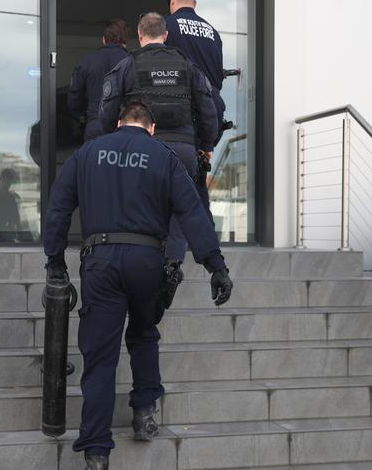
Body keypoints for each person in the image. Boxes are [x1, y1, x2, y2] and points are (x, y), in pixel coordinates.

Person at [44, 102, 233, 470]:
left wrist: (54, 261)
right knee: (144, 335)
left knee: (99, 357)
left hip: (100, 260)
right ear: (151, 128)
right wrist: (215, 266)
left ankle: (97, 452)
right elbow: (192, 213)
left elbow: (58, 209)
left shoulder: (89, 153)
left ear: (118, 123)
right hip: (148, 261)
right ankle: (144, 413)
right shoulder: (162, 156)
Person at [99, 12, 218, 267]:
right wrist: (206, 146)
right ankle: (172, 267)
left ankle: (139, 267)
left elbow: (107, 112)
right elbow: (208, 109)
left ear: (140, 35)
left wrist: (113, 139)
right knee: (180, 212)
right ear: (165, 35)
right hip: (183, 150)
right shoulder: (187, 64)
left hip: (141, 149)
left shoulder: (127, 64)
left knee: (136, 208)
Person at [166, 0, 228, 215]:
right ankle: (202, 240)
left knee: (171, 182)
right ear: (194, 2)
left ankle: (173, 243)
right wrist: (208, 140)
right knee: (196, 182)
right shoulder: (213, 32)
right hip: (210, 114)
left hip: (180, 116)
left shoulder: (167, 26)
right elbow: (218, 81)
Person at [68, 19, 130, 142]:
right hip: (124, 126)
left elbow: (74, 98)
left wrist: (82, 117)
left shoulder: (87, 61)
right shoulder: (132, 61)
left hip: (95, 124)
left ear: (104, 40)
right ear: (125, 42)